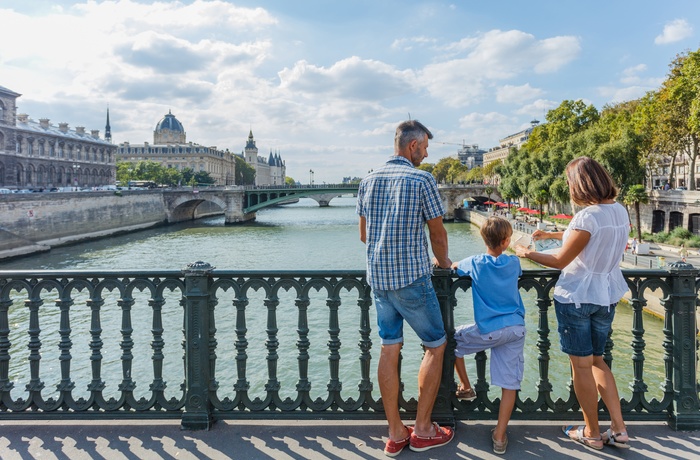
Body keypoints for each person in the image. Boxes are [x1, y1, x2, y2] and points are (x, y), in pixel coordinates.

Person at [515, 156, 630, 451]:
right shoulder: (619, 211)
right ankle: (619, 429)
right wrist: (553, 234)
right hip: (605, 295)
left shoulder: (586, 216)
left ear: (579, 184)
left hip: (577, 296)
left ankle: (591, 433)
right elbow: (590, 239)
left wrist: (526, 253)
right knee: (597, 360)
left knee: (580, 366)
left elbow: (559, 259)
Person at [357, 120, 454, 456]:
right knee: (435, 346)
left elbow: (364, 235)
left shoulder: (368, 180)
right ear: (412, 146)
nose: (426, 155)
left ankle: (396, 432)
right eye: (425, 148)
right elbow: (437, 234)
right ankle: (424, 429)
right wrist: (443, 263)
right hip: (411, 279)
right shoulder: (422, 179)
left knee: (389, 348)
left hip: (379, 281)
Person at [452, 216, 526, 455]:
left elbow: (453, 266)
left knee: (451, 341)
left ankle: (465, 386)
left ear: (484, 239)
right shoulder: (513, 263)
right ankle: (500, 436)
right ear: (506, 242)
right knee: (509, 384)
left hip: (490, 330)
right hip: (515, 328)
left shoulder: (475, 262)